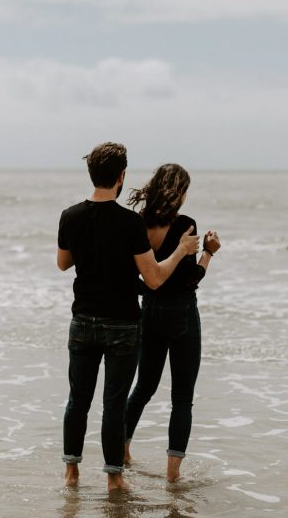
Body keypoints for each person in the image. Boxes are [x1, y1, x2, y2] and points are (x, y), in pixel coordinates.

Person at [56, 143, 200, 492]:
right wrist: (182, 250)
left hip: (83, 319)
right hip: (121, 323)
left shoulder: (70, 215)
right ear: (121, 176)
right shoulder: (129, 222)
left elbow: (63, 263)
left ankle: (71, 474)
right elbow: (152, 278)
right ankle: (114, 478)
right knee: (113, 403)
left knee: (78, 399)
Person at [122, 163, 221, 483]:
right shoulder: (185, 225)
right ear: (180, 192)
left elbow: (133, 278)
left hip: (148, 312)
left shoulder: (137, 224)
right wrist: (209, 252)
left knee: (143, 388)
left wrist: (151, 290)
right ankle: (172, 475)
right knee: (182, 397)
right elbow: (191, 279)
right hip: (181, 314)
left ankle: (121, 452)